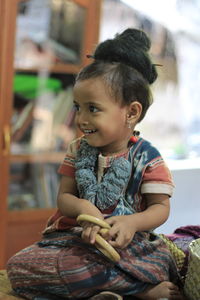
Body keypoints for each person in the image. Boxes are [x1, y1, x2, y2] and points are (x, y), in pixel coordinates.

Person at [7, 28, 184, 300]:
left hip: (128, 250)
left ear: (132, 112)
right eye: (78, 107)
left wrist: (132, 223)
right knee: (18, 267)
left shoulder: (148, 157)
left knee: (140, 267)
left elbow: (160, 207)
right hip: (77, 244)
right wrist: (82, 207)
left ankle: (135, 288)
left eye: (93, 108)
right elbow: (64, 196)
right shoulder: (77, 149)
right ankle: (120, 289)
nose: (81, 119)